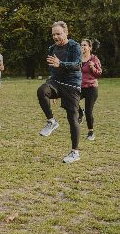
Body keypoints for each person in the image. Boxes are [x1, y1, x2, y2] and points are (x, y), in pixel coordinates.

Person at [37, 21, 82, 163]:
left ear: (66, 32)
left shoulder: (74, 46)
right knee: (42, 90)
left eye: (58, 33)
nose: (55, 37)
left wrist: (61, 64)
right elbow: (53, 70)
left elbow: (78, 65)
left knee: (72, 118)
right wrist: (51, 89)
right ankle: (51, 121)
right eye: (53, 34)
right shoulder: (52, 48)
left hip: (72, 85)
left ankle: (75, 152)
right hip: (56, 82)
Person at [78, 39, 102, 140]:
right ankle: (80, 112)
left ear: (89, 47)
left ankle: (91, 132)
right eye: (81, 45)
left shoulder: (94, 59)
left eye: (84, 45)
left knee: (88, 111)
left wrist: (92, 67)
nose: (82, 47)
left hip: (92, 88)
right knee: (70, 101)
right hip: (80, 87)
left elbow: (99, 73)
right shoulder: (78, 59)